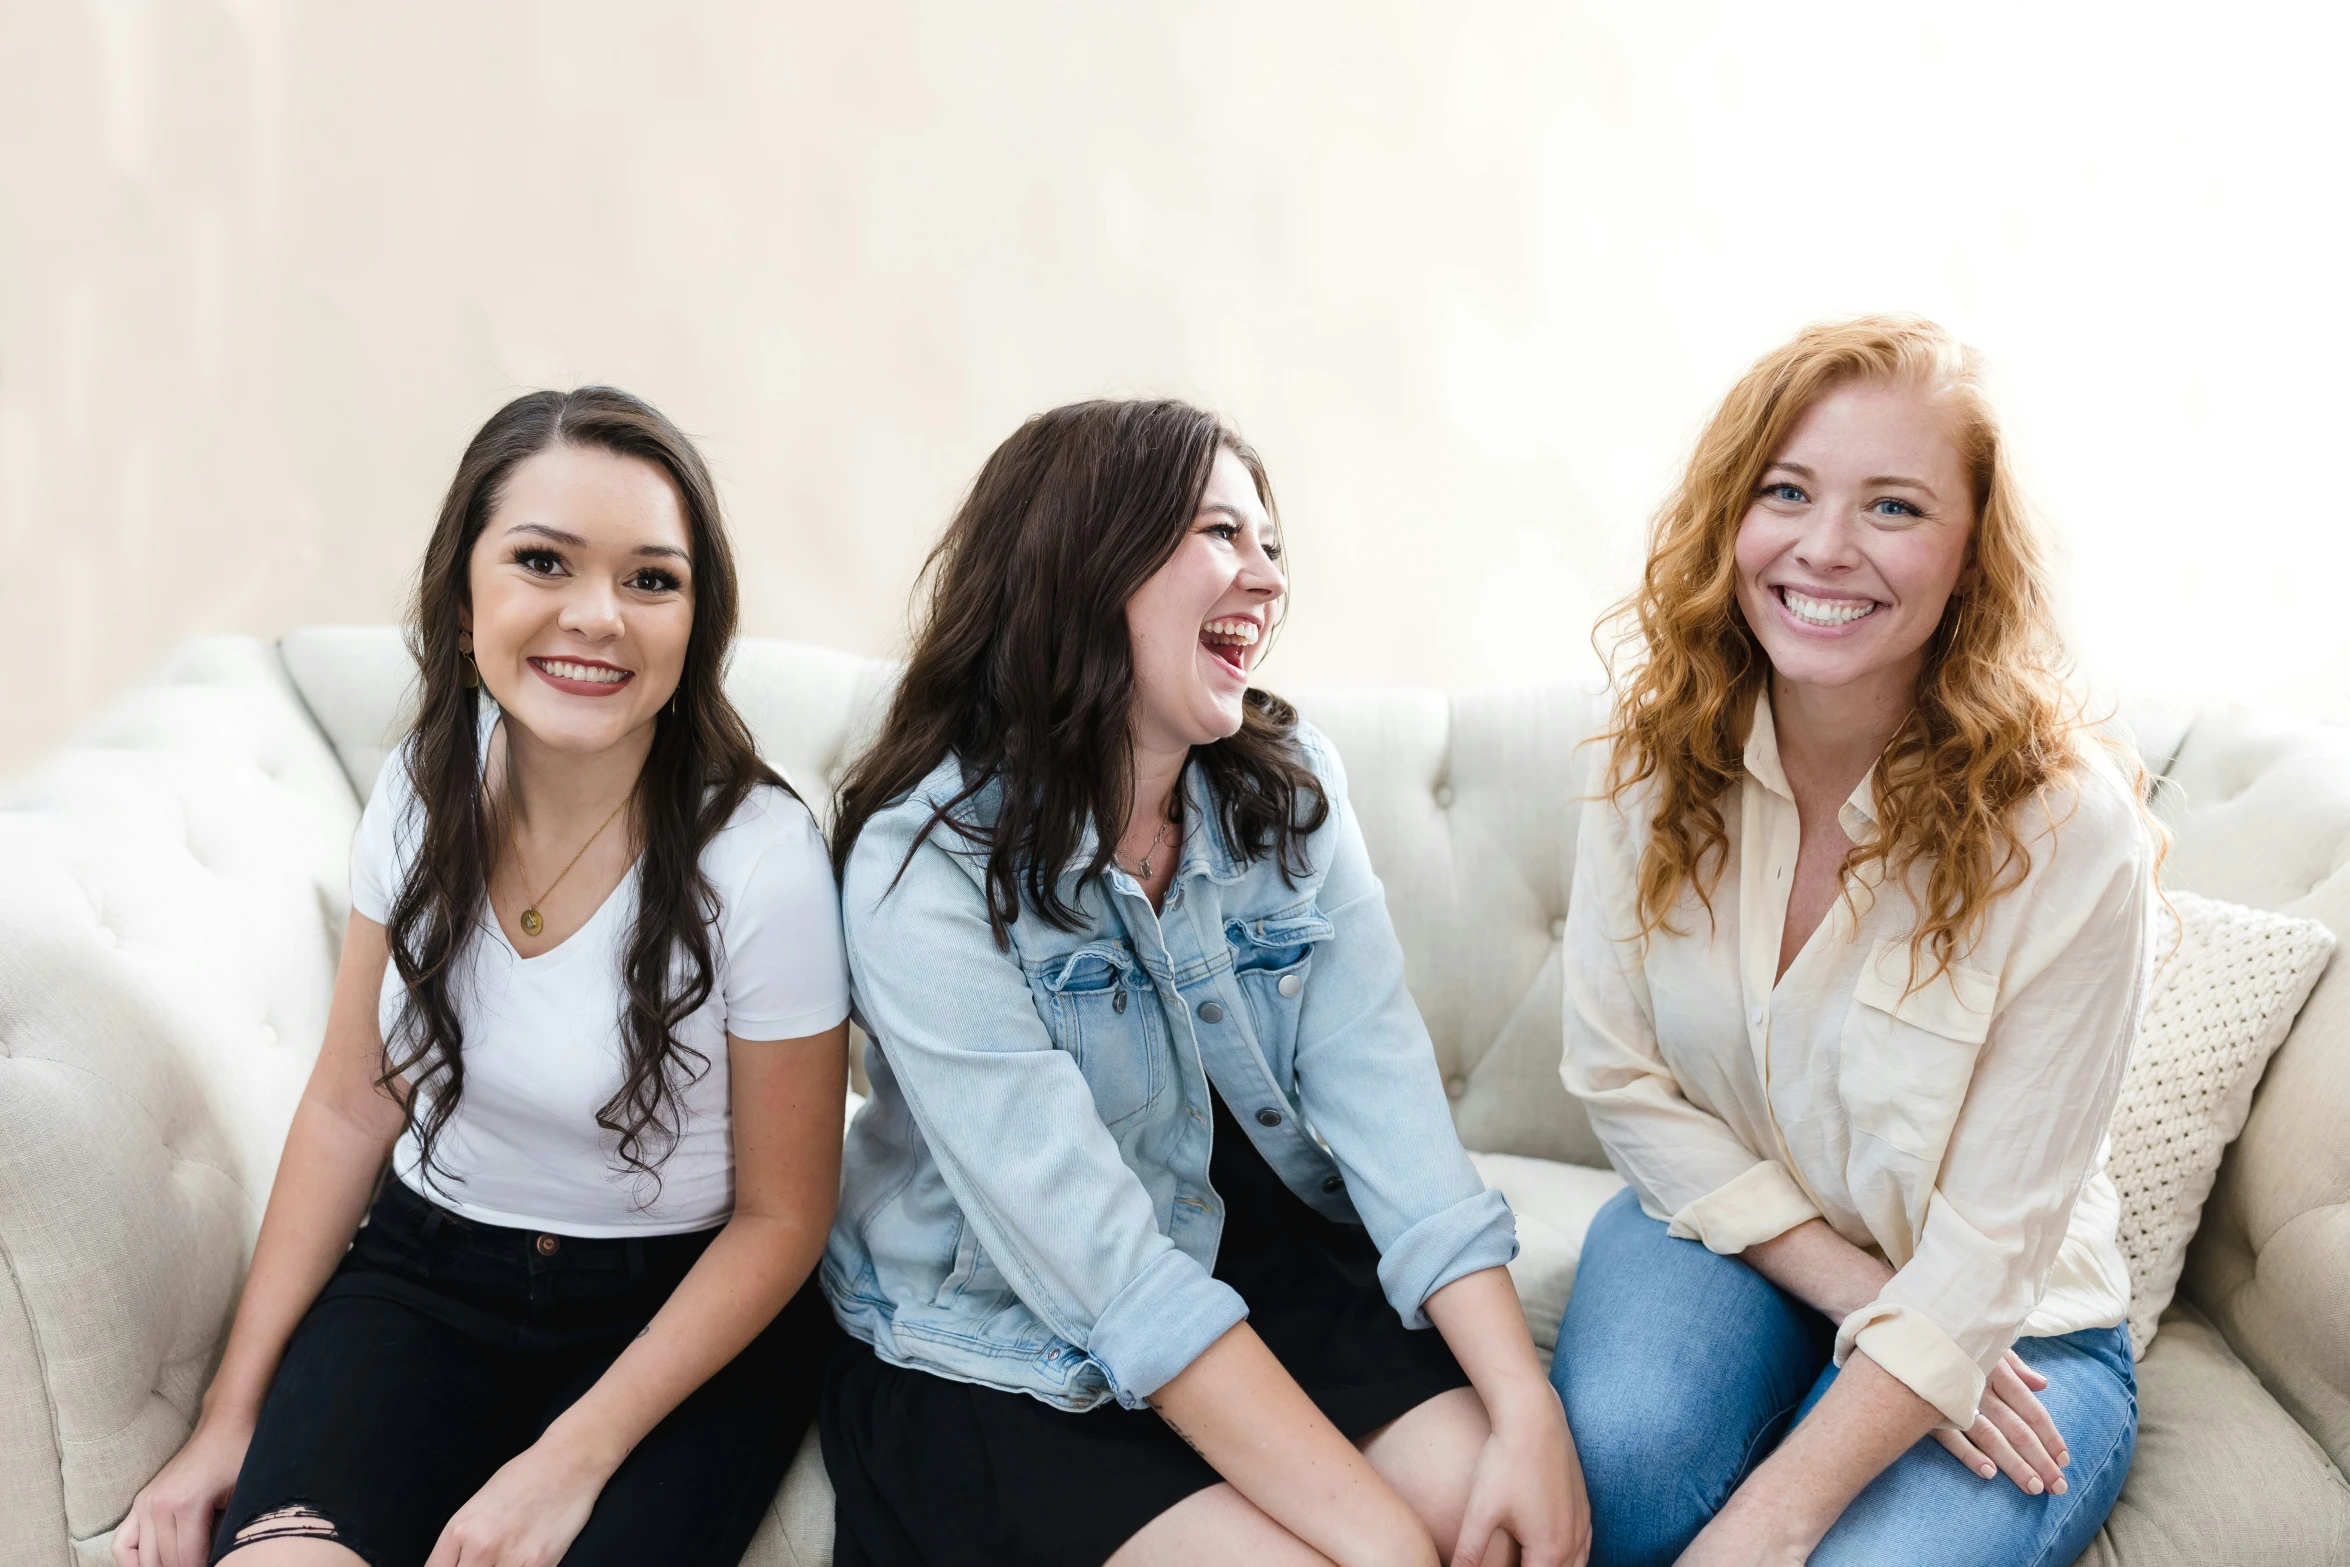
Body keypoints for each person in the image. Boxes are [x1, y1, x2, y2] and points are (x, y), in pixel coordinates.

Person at [817, 399, 1587, 1567]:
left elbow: (1396, 1121)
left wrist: (1528, 1415)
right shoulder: (923, 863)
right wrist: (1378, 1539)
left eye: (1271, 545)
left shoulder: (1284, 790)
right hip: (1004, 1338)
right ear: (1088, 557)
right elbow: (1108, 1273)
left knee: (1505, 1529)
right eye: (1222, 533)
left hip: (1257, 1264)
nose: (1266, 580)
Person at [113, 387, 852, 1567]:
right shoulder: (422, 786)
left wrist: (571, 1455)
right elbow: (355, 1101)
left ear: (695, 625)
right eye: (543, 561)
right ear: (466, 602)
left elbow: (783, 1217)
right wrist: (227, 1419)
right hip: (427, 1269)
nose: (597, 615)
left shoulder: (759, 856)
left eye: (651, 580)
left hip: (677, 1318)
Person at [1551, 316, 2154, 1566]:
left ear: (1972, 551)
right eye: (1786, 492)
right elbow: (1616, 1076)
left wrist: (1767, 1527)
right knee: (1609, 1484)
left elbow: (1987, 1252)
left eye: (1893, 507)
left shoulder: (2066, 829)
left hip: (2009, 1328)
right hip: (1732, 1239)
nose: (1825, 548)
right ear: (1731, 517)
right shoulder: (1647, 760)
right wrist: (1849, 1287)